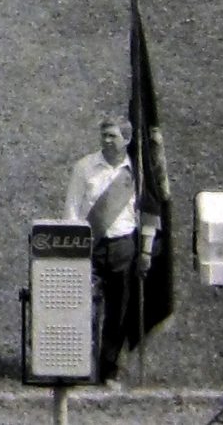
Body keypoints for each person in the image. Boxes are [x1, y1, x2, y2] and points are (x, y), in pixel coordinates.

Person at [63, 114, 156, 384]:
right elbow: (71, 209)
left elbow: (148, 215)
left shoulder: (137, 173)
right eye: (103, 135)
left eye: (112, 135)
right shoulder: (84, 167)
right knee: (79, 309)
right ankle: (76, 367)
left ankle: (108, 371)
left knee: (118, 314)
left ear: (126, 139)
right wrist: (74, 247)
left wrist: (146, 252)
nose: (106, 140)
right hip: (89, 246)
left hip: (123, 247)